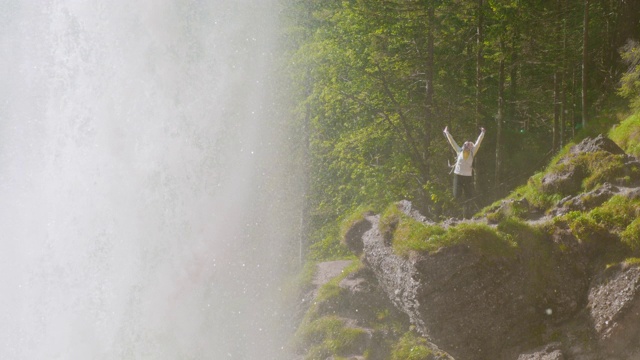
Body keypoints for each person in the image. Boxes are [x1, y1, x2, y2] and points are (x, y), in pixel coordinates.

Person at [443, 126, 485, 210]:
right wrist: (447, 132)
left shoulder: (473, 152)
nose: (466, 145)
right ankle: (458, 207)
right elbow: (452, 142)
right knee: (456, 195)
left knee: (469, 196)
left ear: (471, 147)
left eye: (468, 144)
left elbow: (478, 142)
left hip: (467, 177)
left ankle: (467, 212)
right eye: (465, 144)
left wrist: (482, 133)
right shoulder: (459, 151)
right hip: (457, 175)